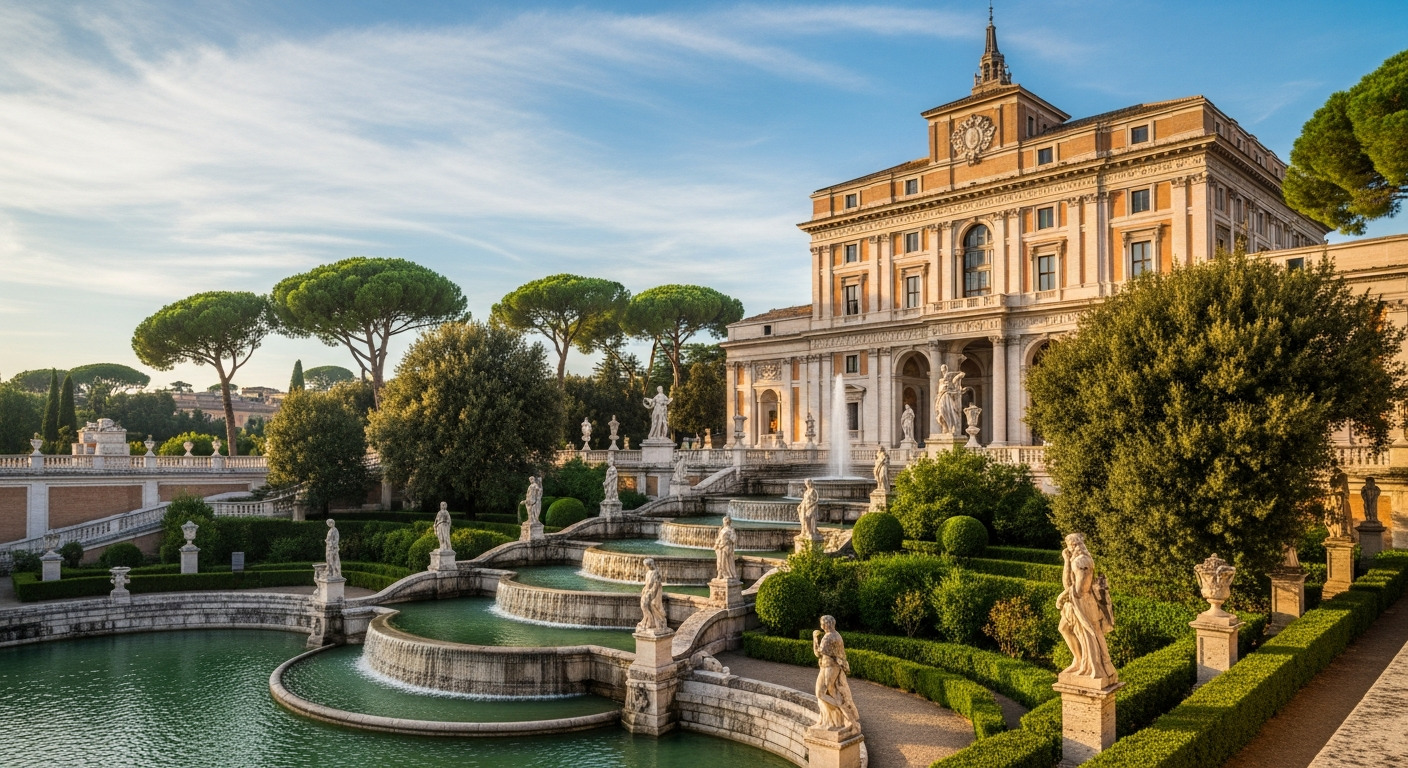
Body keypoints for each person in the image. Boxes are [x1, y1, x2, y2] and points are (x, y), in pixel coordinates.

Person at [1056, 533, 1116, 680]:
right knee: (1064, 628)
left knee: (1091, 633)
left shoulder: (1082, 561)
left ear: (1075, 545)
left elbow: (1081, 589)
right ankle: (1078, 660)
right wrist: (1066, 561)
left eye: (1069, 545)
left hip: (1083, 603)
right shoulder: (1075, 560)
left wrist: (1062, 596)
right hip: (1075, 603)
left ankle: (1094, 666)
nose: (1068, 548)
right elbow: (1067, 583)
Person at [813, 615, 861, 731]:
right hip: (829, 667)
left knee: (827, 693)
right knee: (828, 692)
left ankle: (848, 717)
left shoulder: (828, 637)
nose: (821, 626)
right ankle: (846, 718)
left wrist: (814, 638)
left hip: (829, 667)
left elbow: (818, 653)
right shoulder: (836, 635)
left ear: (826, 624)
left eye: (822, 624)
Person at [637, 558, 668, 632]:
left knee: (645, 605)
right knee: (644, 606)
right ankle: (648, 620)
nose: (646, 567)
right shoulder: (648, 573)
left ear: (650, 565)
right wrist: (644, 589)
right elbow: (647, 584)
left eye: (647, 565)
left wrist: (651, 593)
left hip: (652, 593)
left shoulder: (656, 573)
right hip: (647, 591)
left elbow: (656, 585)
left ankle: (651, 622)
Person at [712, 516, 738, 581]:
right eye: (724, 521)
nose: (725, 522)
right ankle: (720, 575)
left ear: (728, 522)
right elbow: (719, 538)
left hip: (726, 547)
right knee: (719, 561)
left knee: (724, 561)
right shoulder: (722, 529)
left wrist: (727, 541)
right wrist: (716, 544)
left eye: (726, 521)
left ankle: (726, 575)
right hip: (720, 547)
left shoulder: (731, 530)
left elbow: (733, 539)